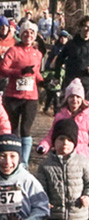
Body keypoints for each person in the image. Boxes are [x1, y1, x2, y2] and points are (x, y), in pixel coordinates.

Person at [36, 79, 89, 169]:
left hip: (82, 157)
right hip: (63, 153)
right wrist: (43, 146)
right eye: (71, 97)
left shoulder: (88, 117)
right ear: (67, 98)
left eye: (78, 97)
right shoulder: (60, 116)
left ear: (82, 99)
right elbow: (51, 135)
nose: (75, 100)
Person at [0, 21, 43, 167]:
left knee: (26, 129)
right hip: (13, 96)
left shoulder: (38, 54)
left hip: (31, 97)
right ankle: (12, 158)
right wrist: (19, 72)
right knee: (12, 128)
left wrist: (44, 81)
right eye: (25, 32)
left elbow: (36, 74)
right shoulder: (13, 51)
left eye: (31, 33)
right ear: (21, 34)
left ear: (35, 36)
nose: (28, 35)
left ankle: (24, 161)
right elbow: (3, 69)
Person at [56, 16, 89, 92]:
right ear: (81, 27)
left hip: (87, 84)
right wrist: (57, 76)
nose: (88, 30)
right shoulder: (71, 44)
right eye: (86, 27)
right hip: (71, 82)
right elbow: (59, 60)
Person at [42, 31, 70, 115]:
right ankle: (53, 109)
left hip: (65, 72)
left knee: (60, 91)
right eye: (61, 37)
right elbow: (50, 59)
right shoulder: (56, 48)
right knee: (53, 91)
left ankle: (58, 109)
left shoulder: (69, 48)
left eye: (65, 38)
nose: (63, 39)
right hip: (55, 72)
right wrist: (48, 68)